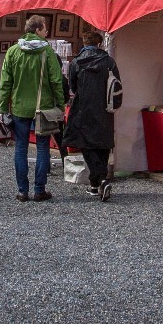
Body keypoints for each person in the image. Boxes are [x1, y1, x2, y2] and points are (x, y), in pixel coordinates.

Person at [0, 15, 67, 202]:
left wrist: (4, 108)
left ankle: (22, 190)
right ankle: (39, 190)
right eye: (45, 29)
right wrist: (60, 104)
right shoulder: (48, 53)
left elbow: (5, 83)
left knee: (20, 147)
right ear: (37, 30)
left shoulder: (13, 52)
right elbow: (56, 81)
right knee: (42, 147)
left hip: (20, 107)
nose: (46, 32)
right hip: (43, 107)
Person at [63, 29, 122, 200]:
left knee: (86, 144)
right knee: (103, 145)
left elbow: (73, 86)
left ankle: (99, 181)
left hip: (83, 108)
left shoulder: (76, 63)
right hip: (105, 107)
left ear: (84, 43)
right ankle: (98, 182)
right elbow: (116, 83)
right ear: (99, 44)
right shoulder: (109, 62)